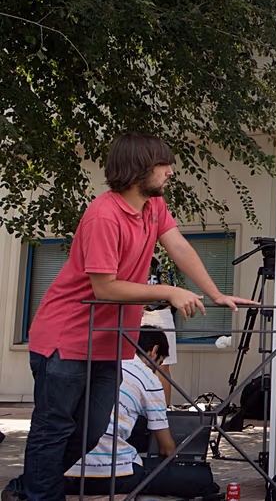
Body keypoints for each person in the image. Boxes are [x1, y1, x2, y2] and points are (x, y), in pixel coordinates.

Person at [4, 133, 255, 501]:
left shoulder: (153, 208)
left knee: (88, 433)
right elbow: (105, 287)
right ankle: (39, 494)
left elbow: (180, 247)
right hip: (66, 339)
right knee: (53, 429)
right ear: (139, 168)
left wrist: (214, 293)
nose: (171, 171)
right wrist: (168, 291)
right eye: (163, 164)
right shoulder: (103, 215)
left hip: (108, 341)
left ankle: (27, 489)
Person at [63, 328, 219, 497]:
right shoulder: (148, 377)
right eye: (159, 363)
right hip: (111, 475)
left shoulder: (102, 364)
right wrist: (172, 467)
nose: (156, 370)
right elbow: (166, 449)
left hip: (65, 472)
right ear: (154, 351)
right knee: (202, 479)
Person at [143, 256, 178, 403]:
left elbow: (169, 291)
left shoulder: (163, 264)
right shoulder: (131, 262)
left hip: (161, 314)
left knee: (162, 366)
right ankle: (141, 408)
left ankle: (164, 409)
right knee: (140, 364)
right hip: (140, 315)